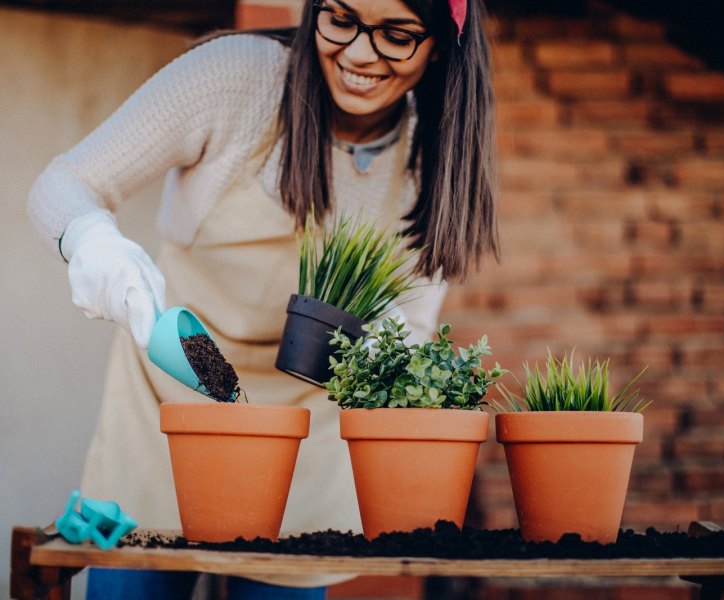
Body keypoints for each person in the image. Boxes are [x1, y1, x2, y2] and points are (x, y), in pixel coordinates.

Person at [28, 0, 497, 597]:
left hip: (308, 433)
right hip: (166, 410)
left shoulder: (440, 149)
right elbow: (65, 184)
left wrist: (392, 349)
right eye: (340, 19)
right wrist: (92, 243)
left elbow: (412, 321)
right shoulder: (235, 80)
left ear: (442, 43)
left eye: (397, 34)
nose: (357, 53)